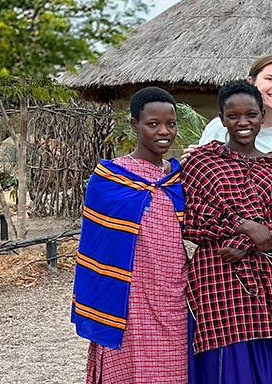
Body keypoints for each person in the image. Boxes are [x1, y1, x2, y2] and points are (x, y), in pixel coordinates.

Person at [195, 55, 272, 384]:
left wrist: (247, 240)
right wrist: (245, 228)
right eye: (270, 79)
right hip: (223, 257)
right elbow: (198, 203)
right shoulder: (213, 141)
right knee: (230, 341)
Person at [75, 87, 188, 382]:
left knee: (175, 370)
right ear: (134, 125)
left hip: (173, 296)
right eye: (153, 124)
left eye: (170, 124)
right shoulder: (111, 178)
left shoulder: (178, 179)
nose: (163, 131)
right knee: (129, 368)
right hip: (126, 296)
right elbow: (98, 243)